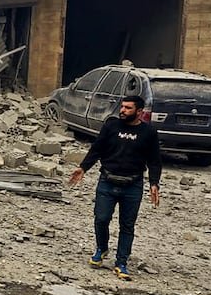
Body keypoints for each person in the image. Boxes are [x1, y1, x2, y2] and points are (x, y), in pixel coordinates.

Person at [69, 95, 162, 281]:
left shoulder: (148, 132)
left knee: (127, 225)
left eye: (128, 108)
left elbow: (154, 160)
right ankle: (101, 249)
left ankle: (121, 262)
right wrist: (83, 167)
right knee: (101, 219)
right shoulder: (111, 126)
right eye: (122, 107)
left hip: (133, 185)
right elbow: (97, 148)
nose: (123, 110)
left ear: (139, 111)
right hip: (107, 181)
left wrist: (154, 183)